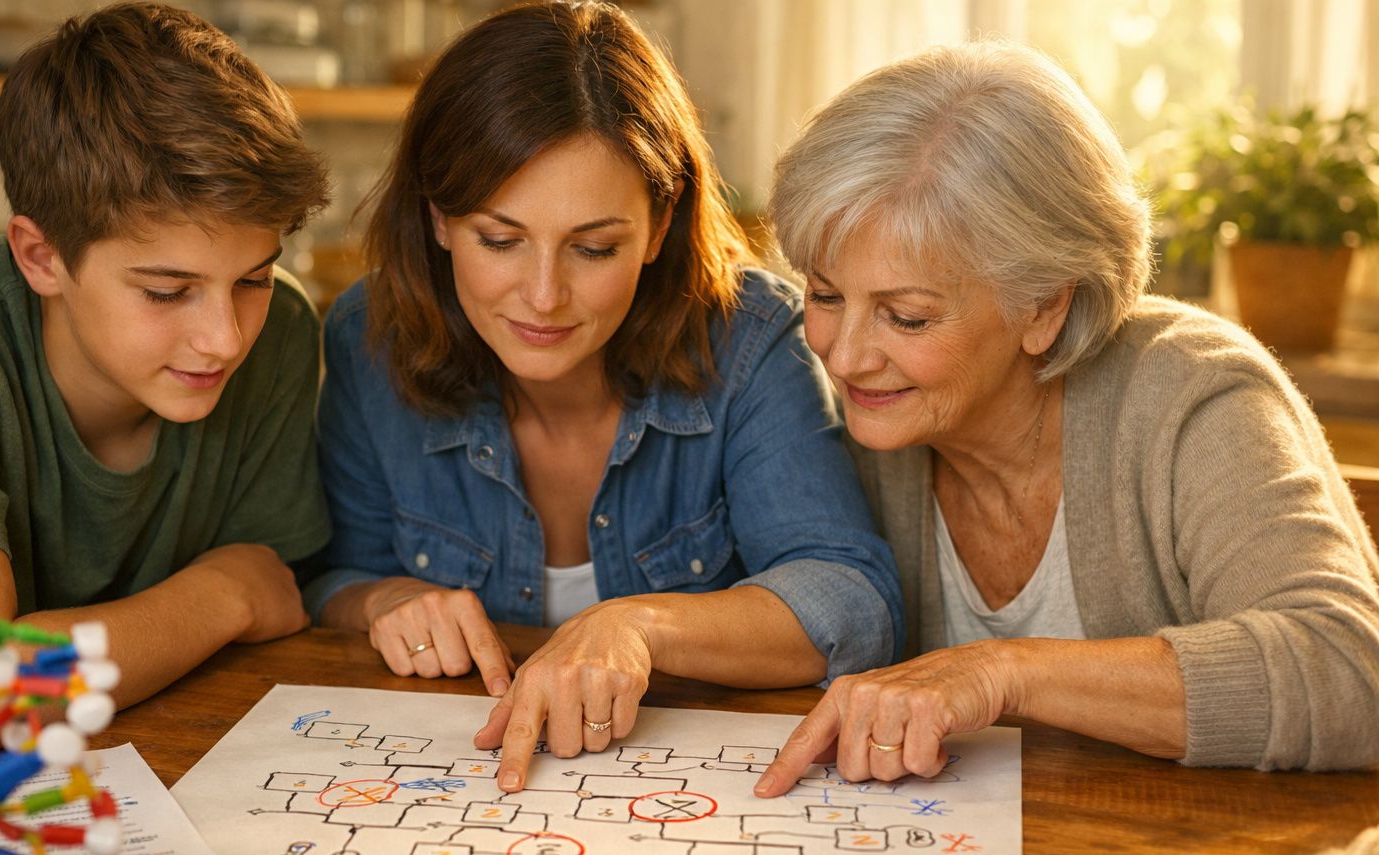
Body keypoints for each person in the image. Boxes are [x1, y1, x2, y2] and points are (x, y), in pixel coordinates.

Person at [754, 41, 1379, 794]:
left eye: (907, 317)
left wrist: (1002, 674)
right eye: (824, 296)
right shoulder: (844, 419)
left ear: (1046, 304)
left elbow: (1352, 671)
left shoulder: (1190, 393)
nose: (845, 356)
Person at [310, 1, 904, 794]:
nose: (544, 296)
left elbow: (851, 598)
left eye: (594, 248)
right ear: (439, 218)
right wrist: (387, 598)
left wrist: (635, 626)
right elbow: (329, 575)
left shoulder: (751, 338)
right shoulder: (367, 335)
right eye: (500, 239)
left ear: (659, 227)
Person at [0, 2, 332, 752]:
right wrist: (224, 594)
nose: (225, 339)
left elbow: (287, 602)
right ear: (41, 258)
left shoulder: (283, 329)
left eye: (254, 279)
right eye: (166, 292)